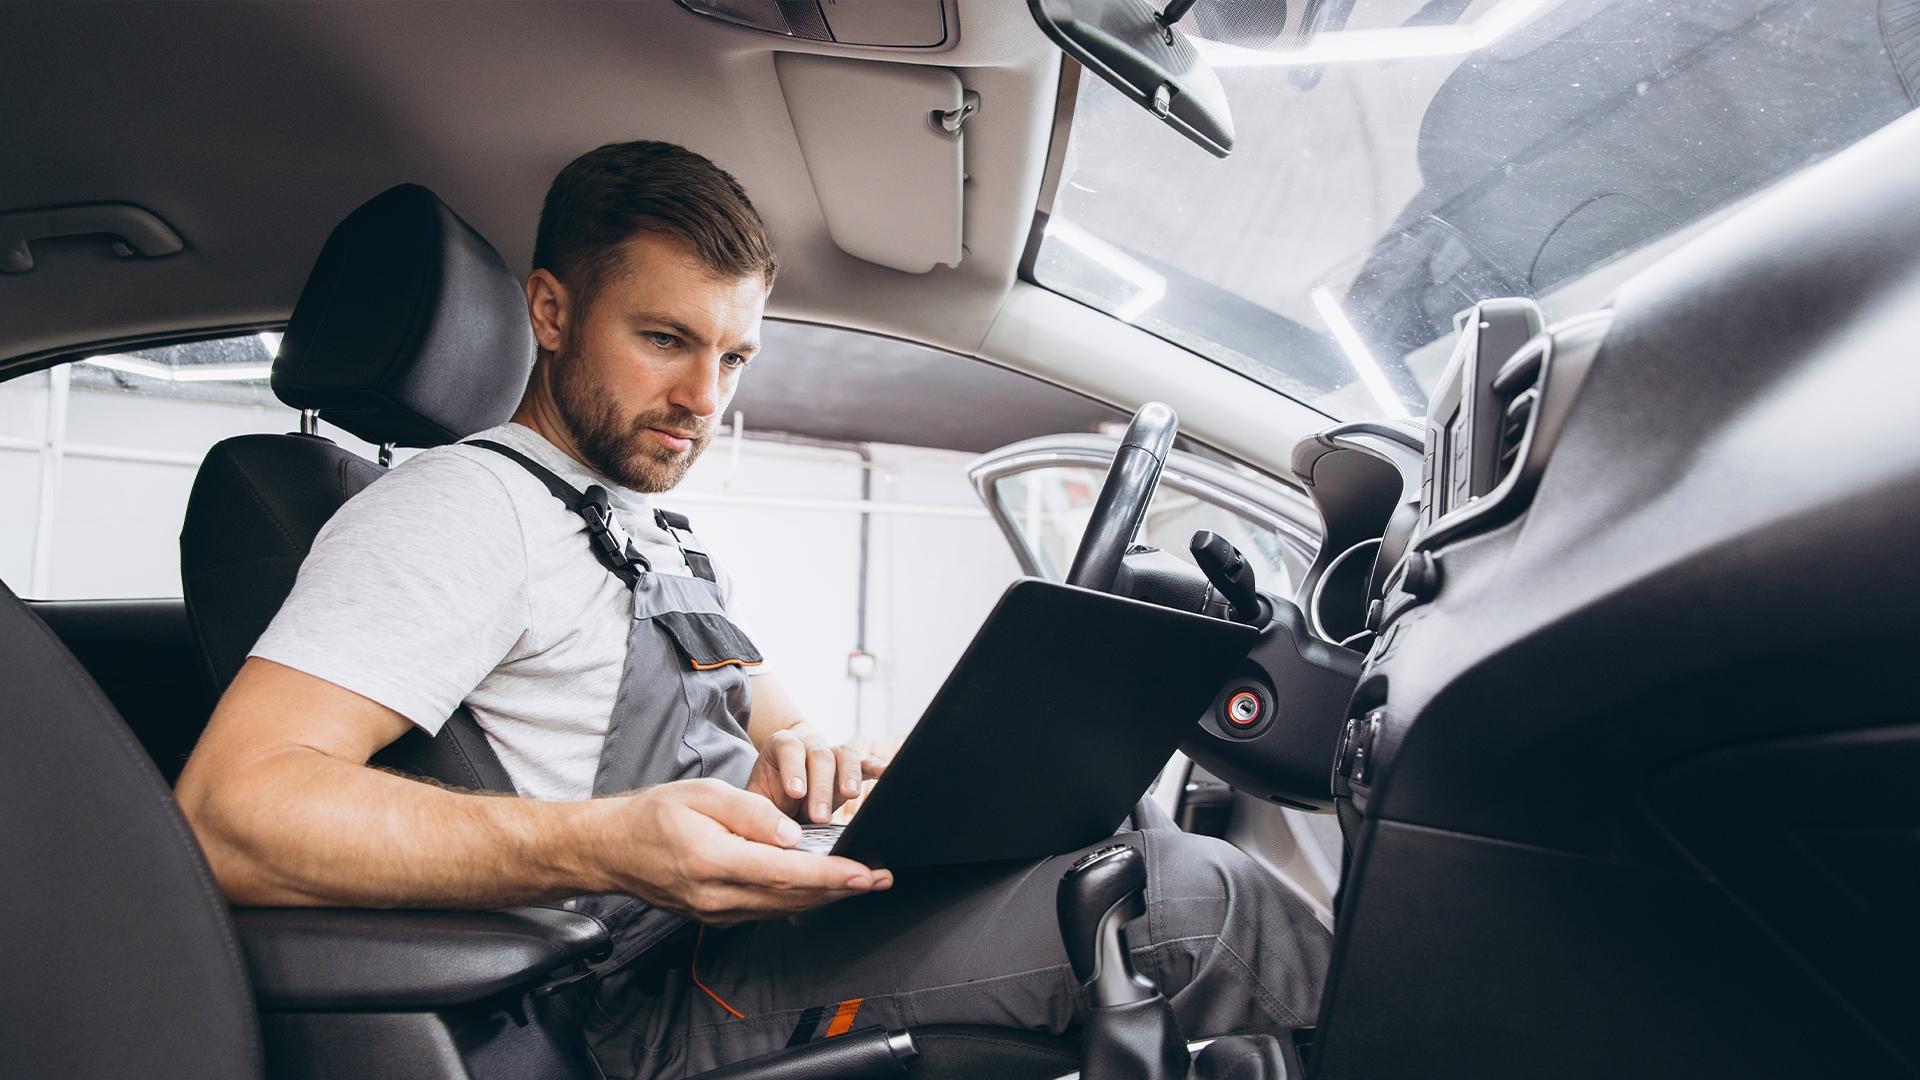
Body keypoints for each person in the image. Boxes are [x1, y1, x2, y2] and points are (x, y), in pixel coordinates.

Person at [175, 140, 1331, 1079]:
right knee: (1190, 904)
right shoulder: (460, 511)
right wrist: (606, 844)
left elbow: (777, 731)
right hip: (645, 1004)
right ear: (550, 310)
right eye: (666, 341)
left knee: (1131, 841)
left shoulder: (636, 521)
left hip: (737, 933)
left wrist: (819, 766)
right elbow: (232, 810)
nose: (703, 401)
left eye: (735, 357)